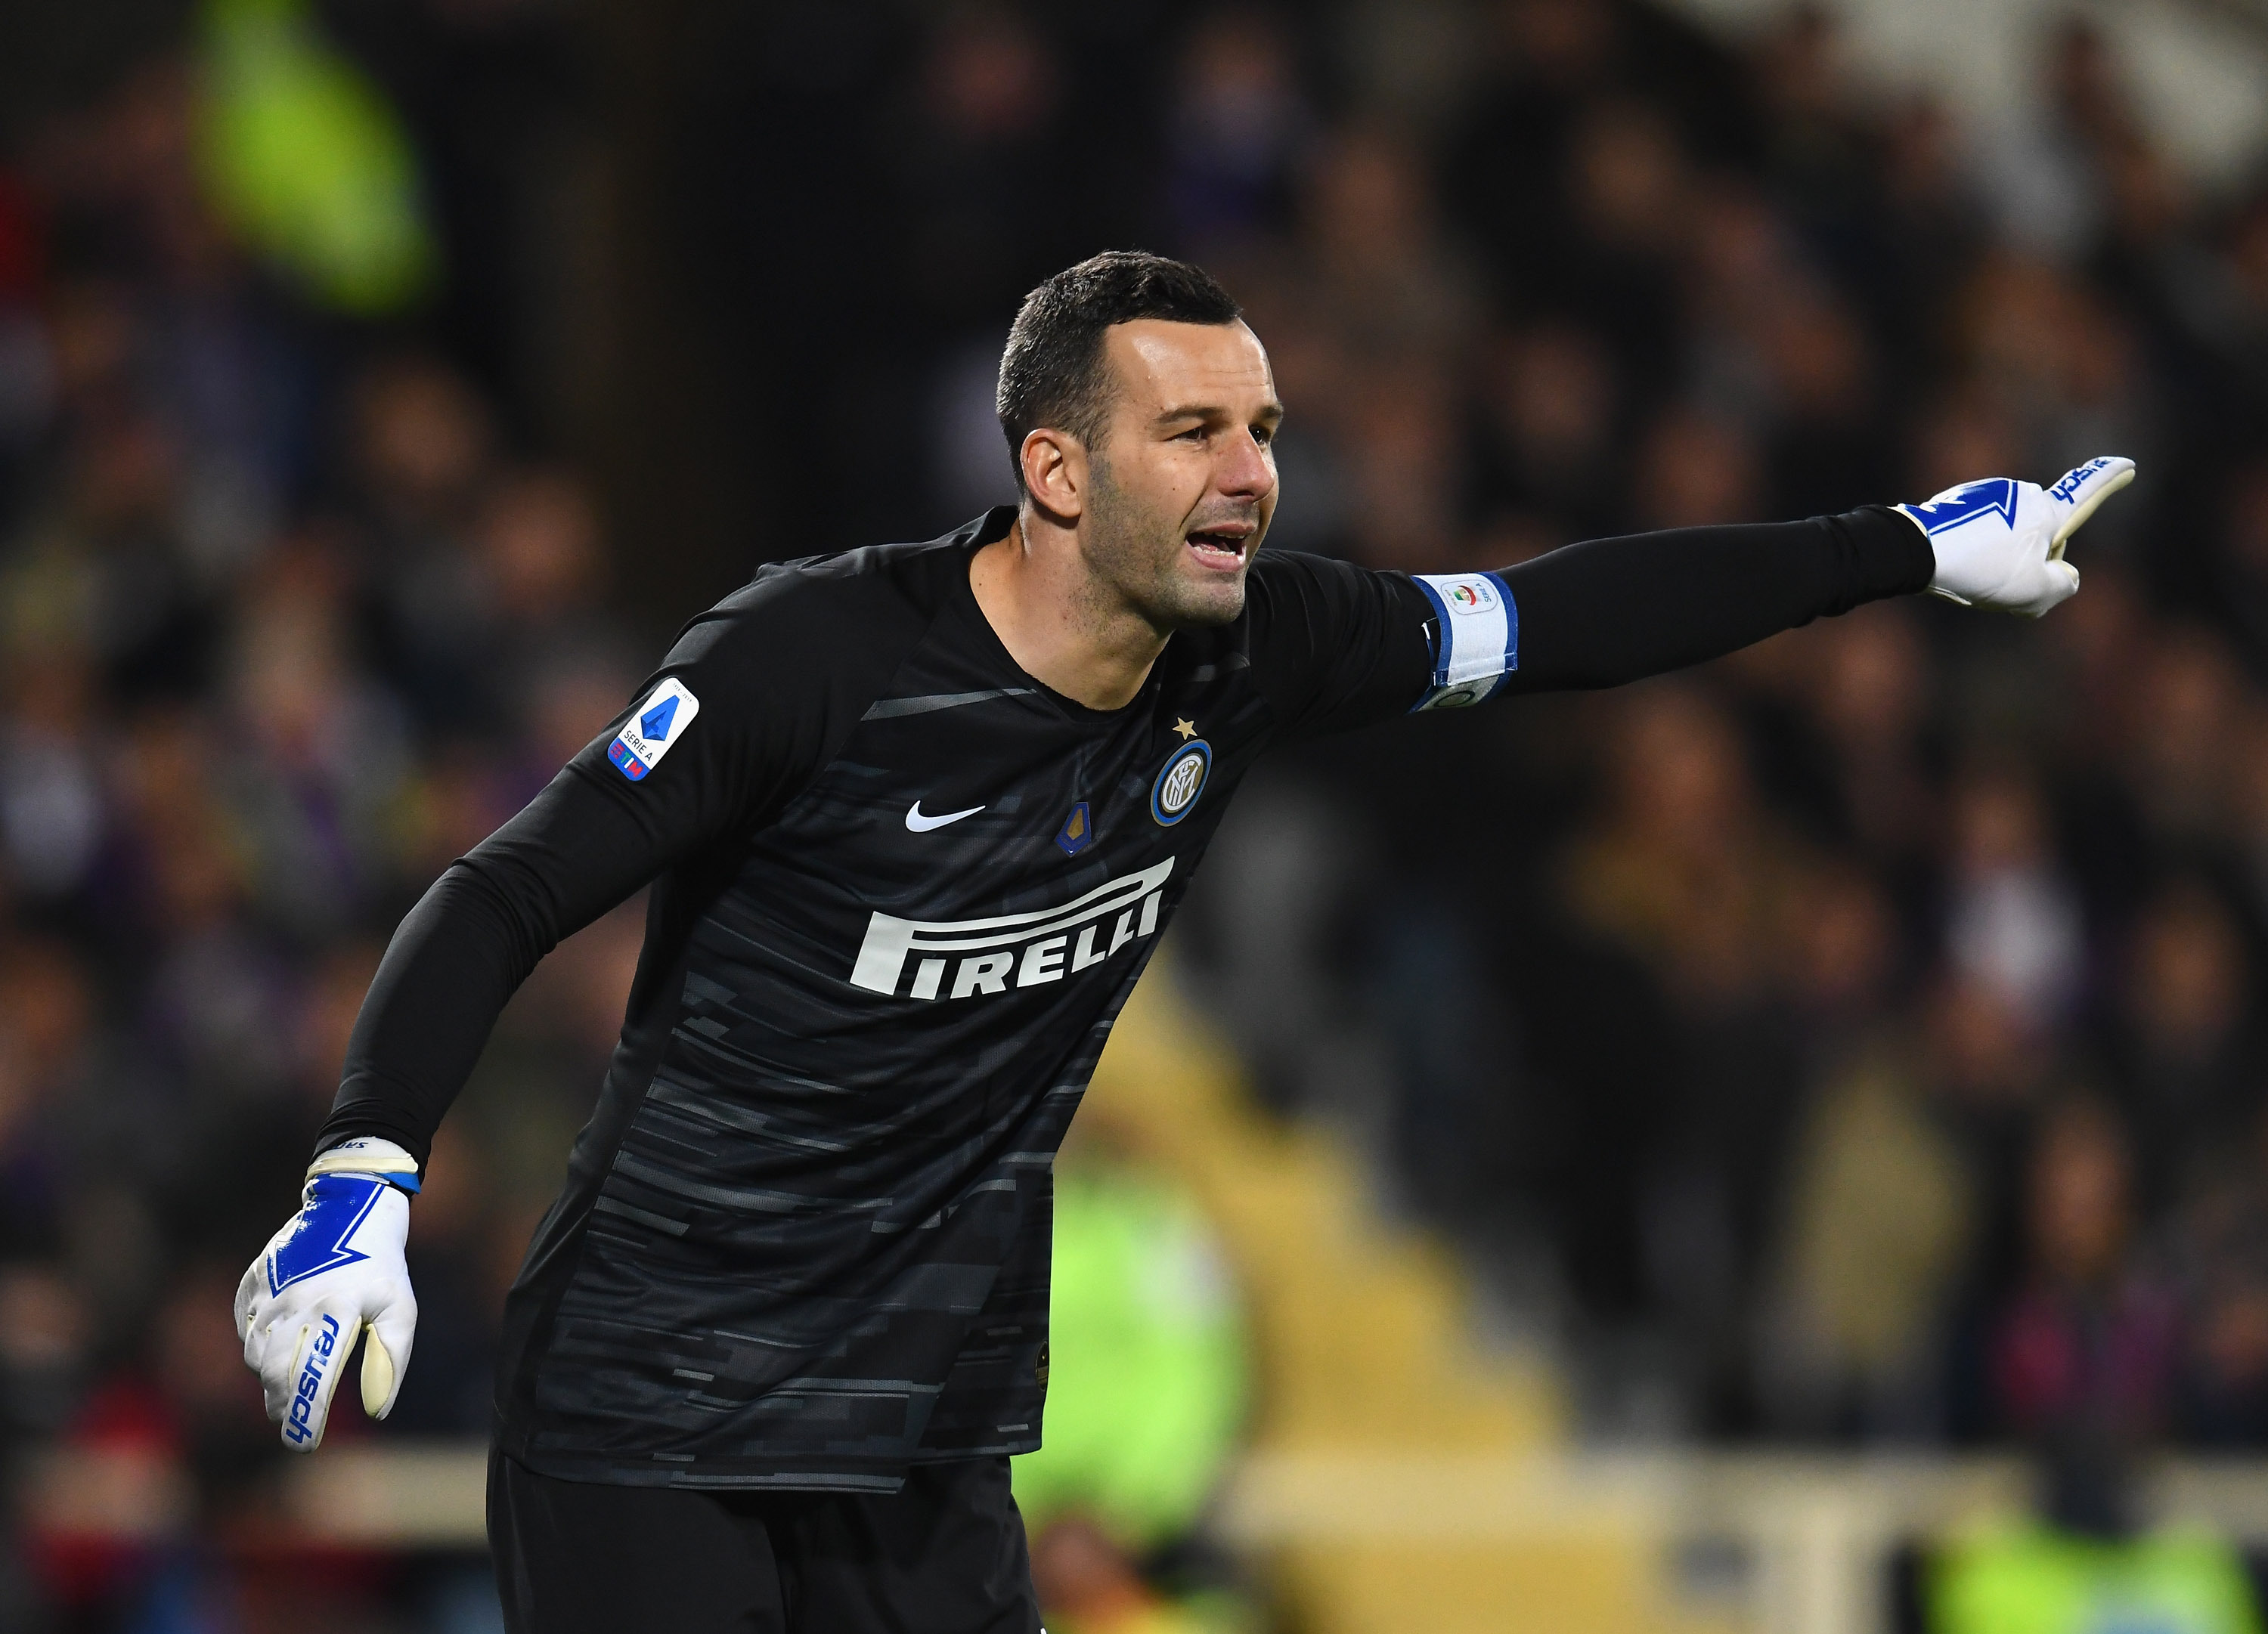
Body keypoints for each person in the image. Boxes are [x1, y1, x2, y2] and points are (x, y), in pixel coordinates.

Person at [233, 250, 2133, 1632]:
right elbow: (506, 889)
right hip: (654, 1409)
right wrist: (363, 1173)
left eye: (1267, 430)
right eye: (1196, 429)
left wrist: (1902, 545)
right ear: (1059, 470)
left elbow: (1561, 619)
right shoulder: (811, 663)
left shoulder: (1254, 652)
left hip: (925, 1427)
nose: (1252, 471)